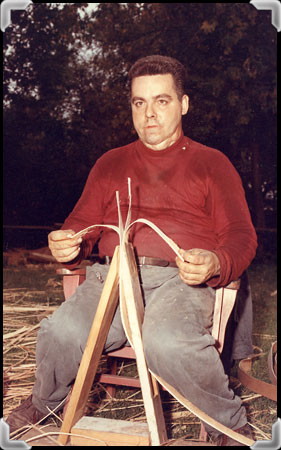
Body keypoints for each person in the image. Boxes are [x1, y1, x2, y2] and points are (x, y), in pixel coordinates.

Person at [6, 55, 257, 445]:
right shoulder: (110, 164)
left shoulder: (212, 164)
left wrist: (215, 261)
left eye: (162, 101)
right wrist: (67, 242)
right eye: (140, 103)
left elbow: (242, 237)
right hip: (113, 278)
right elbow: (81, 227)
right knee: (60, 331)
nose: (150, 114)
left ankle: (227, 423)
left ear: (184, 104)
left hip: (181, 281)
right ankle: (45, 404)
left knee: (167, 341)